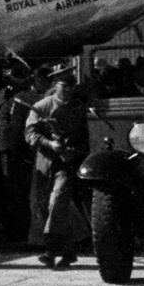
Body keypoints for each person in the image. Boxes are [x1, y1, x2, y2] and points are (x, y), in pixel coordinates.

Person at [25, 64, 91, 270]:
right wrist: (49, 143)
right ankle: (68, 251)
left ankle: (51, 250)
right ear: (55, 85)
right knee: (42, 206)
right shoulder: (43, 106)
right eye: (64, 85)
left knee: (58, 202)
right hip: (45, 163)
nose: (68, 89)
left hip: (66, 165)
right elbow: (29, 133)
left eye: (71, 85)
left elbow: (88, 137)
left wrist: (74, 150)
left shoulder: (80, 109)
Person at [0, 61, 43, 243]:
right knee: (1, 188)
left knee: (16, 190)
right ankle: (5, 229)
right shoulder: (3, 93)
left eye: (14, 78)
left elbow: (24, 127)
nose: (9, 82)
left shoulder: (28, 97)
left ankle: (17, 232)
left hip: (15, 148)